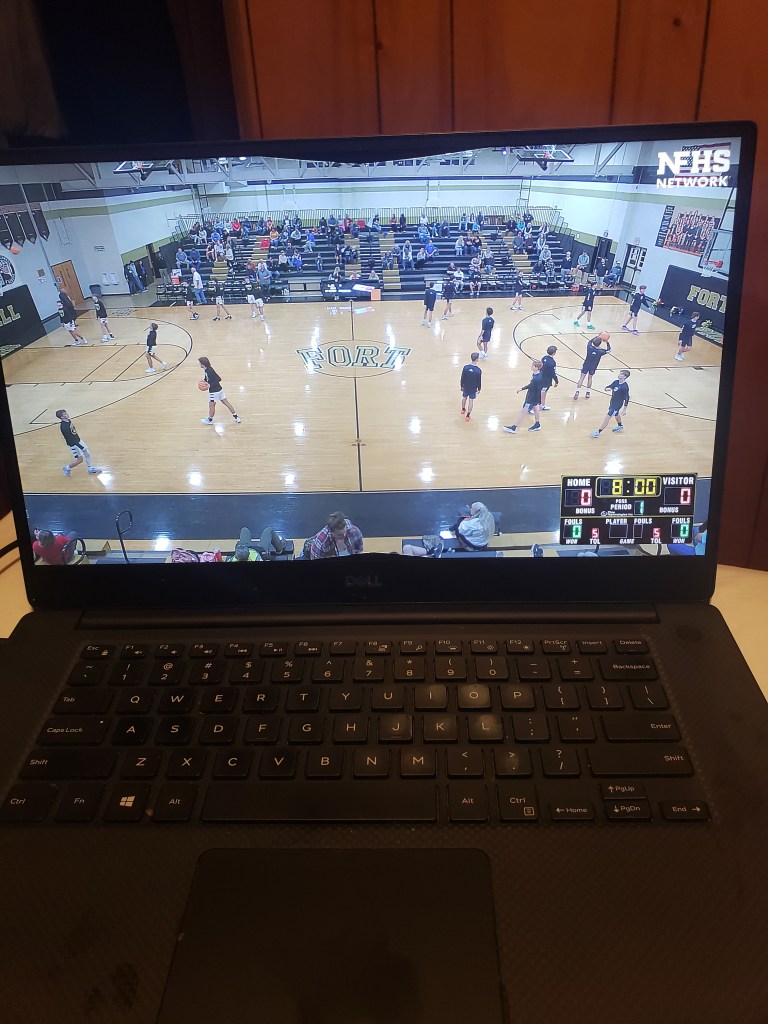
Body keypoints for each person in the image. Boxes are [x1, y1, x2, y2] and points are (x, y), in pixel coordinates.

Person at [503, 360, 545, 433]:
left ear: (536, 368)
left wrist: (522, 389)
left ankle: (514, 427)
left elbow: (531, 386)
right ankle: (537, 424)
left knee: (523, 411)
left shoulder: (536, 378)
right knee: (535, 409)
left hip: (531, 397)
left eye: (533, 365)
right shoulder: (537, 375)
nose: (531, 366)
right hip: (534, 396)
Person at [56, 409, 102, 476]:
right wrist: (81, 447)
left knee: (87, 454)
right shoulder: (64, 427)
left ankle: (90, 468)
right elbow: (71, 439)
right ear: (62, 417)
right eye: (65, 414)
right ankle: (67, 467)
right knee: (80, 460)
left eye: (66, 413)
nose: (67, 414)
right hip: (74, 445)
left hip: (78, 441)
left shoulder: (68, 420)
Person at [198, 356, 241, 424]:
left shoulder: (209, 371)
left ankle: (210, 420)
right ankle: (236, 417)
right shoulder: (208, 369)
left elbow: (217, 379)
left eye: (200, 363)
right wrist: (204, 380)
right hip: (220, 390)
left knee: (211, 406)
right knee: (226, 403)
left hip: (214, 392)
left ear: (203, 364)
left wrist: (209, 385)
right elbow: (214, 378)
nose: (199, 364)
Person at [573, 331, 612, 399]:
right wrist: (607, 342)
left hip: (586, 364)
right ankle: (588, 392)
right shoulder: (601, 351)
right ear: (600, 344)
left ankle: (577, 391)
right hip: (593, 366)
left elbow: (590, 341)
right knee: (590, 378)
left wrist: (598, 336)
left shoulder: (589, 347)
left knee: (581, 378)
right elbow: (609, 350)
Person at [591, 370, 631, 436]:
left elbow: (627, 398)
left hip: (617, 405)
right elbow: (609, 386)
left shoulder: (625, 387)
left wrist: (624, 409)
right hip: (612, 402)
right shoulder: (616, 382)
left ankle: (598, 432)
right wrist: (607, 388)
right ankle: (620, 425)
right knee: (616, 414)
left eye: (621, 374)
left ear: (625, 377)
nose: (619, 375)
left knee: (608, 417)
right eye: (620, 373)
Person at [459, 351, 482, 420]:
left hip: (466, 387)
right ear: (477, 359)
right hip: (473, 388)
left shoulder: (465, 367)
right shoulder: (478, 370)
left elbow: (462, 377)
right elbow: (479, 381)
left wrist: (461, 386)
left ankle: (463, 409)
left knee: (464, 397)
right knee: (471, 401)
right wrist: (479, 388)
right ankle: (468, 416)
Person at [539, 345, 559, 410]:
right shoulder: (552, 362)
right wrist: (556, 381)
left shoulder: (544, 358)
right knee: (543, 392)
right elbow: (553, 373)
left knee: (541, 391)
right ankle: (542, 405)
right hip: (546, 380)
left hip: (541, 377)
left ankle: (540, 404)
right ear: (554, 353)